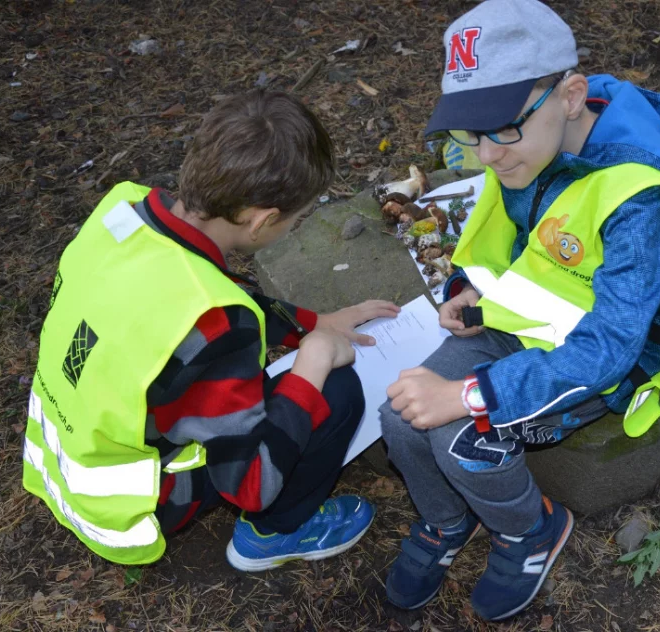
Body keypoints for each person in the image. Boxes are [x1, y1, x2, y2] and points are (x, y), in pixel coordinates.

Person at [380, 0, 660, 621]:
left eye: (503, 128)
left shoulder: (640, 196)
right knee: (400, 413)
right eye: (470, 134)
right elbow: (502, 231)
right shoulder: (533, 142)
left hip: (611, 360)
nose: (486, 155)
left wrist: (472, 395)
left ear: (571, 94)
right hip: (529, 325)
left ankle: (529, 530)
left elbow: (609, 348)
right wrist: (466, 285)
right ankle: (448, 521)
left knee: (461, 433)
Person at [22, 90, 400, 571]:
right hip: (135, 501)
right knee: (339, 390)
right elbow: (251, 484)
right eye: (298, 218)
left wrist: (312, 323)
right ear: (263, 222)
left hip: (66, 457)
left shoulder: (123, 212)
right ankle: (276, 534)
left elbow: (186, 291)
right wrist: (314, 359)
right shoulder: (218, 320)